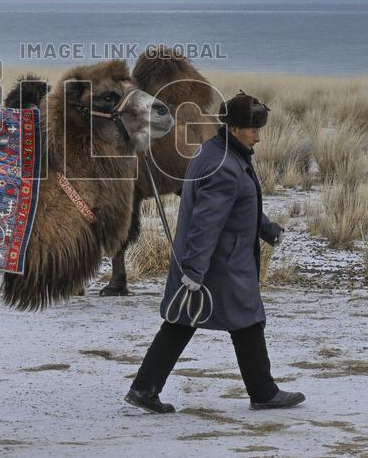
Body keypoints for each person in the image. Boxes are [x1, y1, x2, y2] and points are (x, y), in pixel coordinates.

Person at [125, 92, 306, 413]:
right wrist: (193, 270)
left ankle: (145, 388)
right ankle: (263, 392)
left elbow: (237, 207)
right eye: (253, 129)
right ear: (235, 128)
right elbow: (205, 223)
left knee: (190, 321)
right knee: (244, 321)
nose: (259, 136)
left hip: (218, 261)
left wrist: (267, 229)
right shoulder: (223, 166)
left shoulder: (219, 153)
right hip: (220, 264)